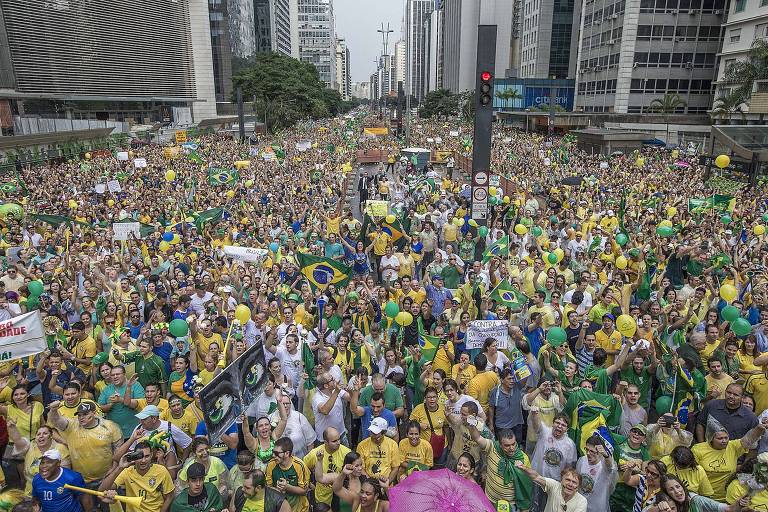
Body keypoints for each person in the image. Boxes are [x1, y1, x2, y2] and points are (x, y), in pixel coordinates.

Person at [47, 401, 123, 489]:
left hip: (106, 477)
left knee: (107, 502)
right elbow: (56, 420)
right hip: (80, 479)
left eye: (85, 414)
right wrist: (53, 410)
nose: (82, 418)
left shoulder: (110, 427)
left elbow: (119, 451)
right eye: (79, 415)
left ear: (94, 413)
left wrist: (113, 470)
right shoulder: (72, 426)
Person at [691, 419, 766, 501]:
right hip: (706, 497)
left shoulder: (732, 446)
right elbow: (693, 473)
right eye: (720, 438)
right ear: (711, 438)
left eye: (726, 438)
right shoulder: (698, 449)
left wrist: (759, 428)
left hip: (727, 496)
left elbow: (748, 440)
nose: (724, 441)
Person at [98, 441, 174, 512]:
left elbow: (169, 497)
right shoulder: (127, 472)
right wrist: (120, 468)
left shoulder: (161, 471)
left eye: (147, 456)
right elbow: (102, 489)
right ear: (134, 457)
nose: (143, 460)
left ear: (151, 455)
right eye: (140, 456)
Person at [303, 427, 350, 509]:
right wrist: (309, 483)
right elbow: (304, 467)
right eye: (334, 441)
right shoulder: (315, 453)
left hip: (341, 492)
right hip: (323, 494)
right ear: (325, 442)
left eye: (339, 439)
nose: (338, 443)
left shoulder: (346, 452)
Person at [515, 463, 588, 512]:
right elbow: (536, 477)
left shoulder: (582, 501)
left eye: (574, 482)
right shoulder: (554, 485)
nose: (570, 484)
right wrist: (524, 468)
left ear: (578, 487)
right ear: (561, 480)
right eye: (568, 480)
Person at [264, 437, 310, 512]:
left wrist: (287, 487)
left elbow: (304, 490)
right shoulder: (271, 465)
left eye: (276, 453)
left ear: (287, 453)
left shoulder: (299, 465)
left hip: (299, 509)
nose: (273, 455)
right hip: (279, 508)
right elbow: (267, 488)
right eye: (273, 452)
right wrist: (277, 490)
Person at [576, 436, 617, 512]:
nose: (588, 453)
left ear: (600, 452)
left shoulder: (604, 465)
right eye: (587, 449)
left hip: (597, 508)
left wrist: (606, 455)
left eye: (592, 451)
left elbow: (610, 467)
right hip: (581, 506)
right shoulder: (582, 460)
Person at [356, 417, 400, 484]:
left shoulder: (393, 445)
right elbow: (361, 468)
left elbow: (395, 468)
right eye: (371, 432)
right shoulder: (362, 445)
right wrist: (370, 484)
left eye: (375, 433)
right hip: (368, 482)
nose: (372, 435)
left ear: (384, 432)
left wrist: (387, 482)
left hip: (386, 482)